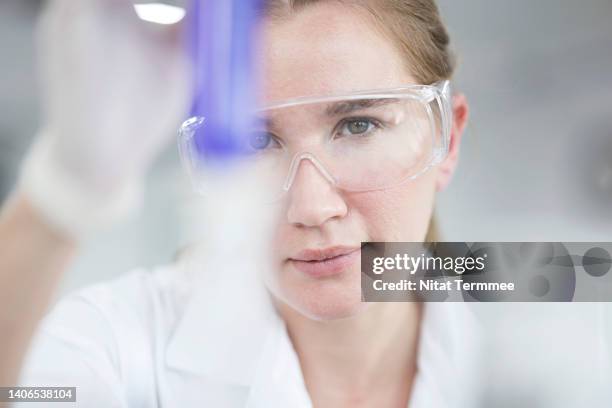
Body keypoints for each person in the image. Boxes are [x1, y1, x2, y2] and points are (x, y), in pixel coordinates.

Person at [0, 0, 480, 406]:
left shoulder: (533, 292)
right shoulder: (118, 338)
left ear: (449, 138)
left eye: (358, 125)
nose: (312, 208)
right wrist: (65, 192)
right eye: (257, 142)